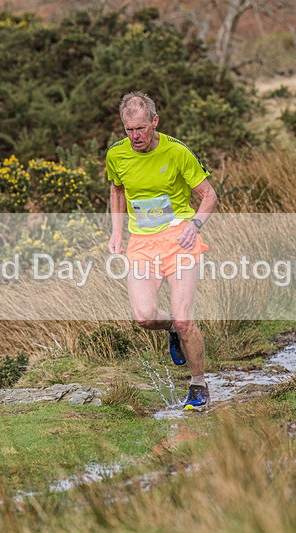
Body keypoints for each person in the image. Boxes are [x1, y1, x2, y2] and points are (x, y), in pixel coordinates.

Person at [106, 91, 218, 411]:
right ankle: (169, 327)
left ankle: (198, 386)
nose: (135, 136)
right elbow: (116, 189)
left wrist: (193, 226)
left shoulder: (177, 152)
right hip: (141, 243)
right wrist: (116, 231)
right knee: (143, 317)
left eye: (141, 128)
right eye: (129, 130)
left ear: (155, 121)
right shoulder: (117, 155)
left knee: (185, 320)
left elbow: (208, 196)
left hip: (179, 239)